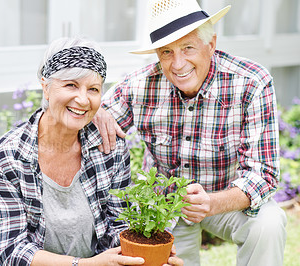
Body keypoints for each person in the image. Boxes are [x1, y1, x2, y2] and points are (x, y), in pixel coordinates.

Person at [94, 0, 287, 265]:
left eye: (188, 48)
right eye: (166, 52)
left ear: (211, 45)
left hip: (227, 199)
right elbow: (88, 125)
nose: (178, 63)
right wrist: (95, 110)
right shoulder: (139, 85)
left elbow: (263, 174)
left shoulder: (251, 82)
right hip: (165, 208)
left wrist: (212, 203)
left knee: (269, 223)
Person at [0, 37, 183, 266]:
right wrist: (85, 265)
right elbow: (13, 252)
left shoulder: (110, 147)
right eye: (71, 85)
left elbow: (117, 225)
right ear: (46, 86)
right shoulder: (8, 157)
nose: (83, 100)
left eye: (93, 89)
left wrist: (146, 253)